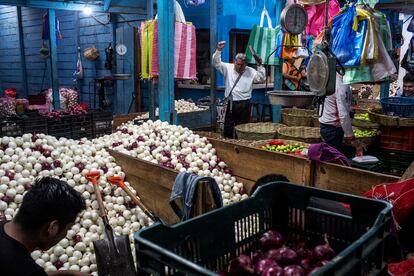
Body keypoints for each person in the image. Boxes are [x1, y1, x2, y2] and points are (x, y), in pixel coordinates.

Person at [0, 177, 88, 276]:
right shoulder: (26, 269)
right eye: (68, 228)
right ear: (52, 228)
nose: (66, 233)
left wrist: (69, 273)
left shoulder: (4, 227)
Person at [213, 41, 266, 138]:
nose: (239, 67)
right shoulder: (228, 68)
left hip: (244, 104)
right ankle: (228, 145)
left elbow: (261, 78)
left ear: (246, 64)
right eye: (237, 64)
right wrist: (219, 50)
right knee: (228, 128)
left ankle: (239, 146)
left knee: (242, 128)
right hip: (231, 103)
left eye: (242, 65)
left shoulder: (251, 71)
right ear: (234, 62)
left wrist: (260, 65)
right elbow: (216, 63)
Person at [319, 74, 354, 151]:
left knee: (330, 155)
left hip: (326, 125)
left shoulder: (330, 78)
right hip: (333, 129)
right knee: (333, 158)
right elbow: (343, 115)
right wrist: (351, 137)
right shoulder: (340, 85)